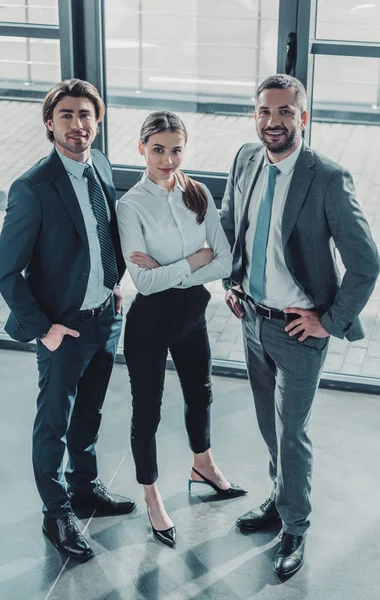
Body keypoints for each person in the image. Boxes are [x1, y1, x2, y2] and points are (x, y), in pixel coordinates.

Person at [220, 74, 379, 576]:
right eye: (266, 111)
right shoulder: (246, 159)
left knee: (292, 434)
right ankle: (279, 498)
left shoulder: (327, 179)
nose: (274, 121)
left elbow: (366, 262)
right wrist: (231, 281)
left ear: (303, 118)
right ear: (256, 116)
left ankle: (295, 526)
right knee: (270, 426)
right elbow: (232, 224)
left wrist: (329, 322)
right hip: (252, 319)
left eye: (286, 112)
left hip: (297, 330)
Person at [0, 79, 136, 563]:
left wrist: (115, 283)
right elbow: (5, 271)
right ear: (49, 123)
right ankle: (56, 513)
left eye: (86, 115)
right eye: (68, 115)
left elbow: (103, 232)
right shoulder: (33, 188)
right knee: (53, 423)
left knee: (90, 413)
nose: (79, 125)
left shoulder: (99, 162)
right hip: (63, 328)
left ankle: (84, 489)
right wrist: (44, 329)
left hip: (104, 316)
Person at [117, 111, 247, 548]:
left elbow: (225, 261)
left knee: (201, 394)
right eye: (158, 149)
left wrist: (175, 269)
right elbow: (145, 283)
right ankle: (152, 495)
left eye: (175, 149)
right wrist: (196, 261)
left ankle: (203, 465)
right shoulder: (130, 205)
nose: (168, 159)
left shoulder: (199, 194)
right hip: (149, 324)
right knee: (148, 412)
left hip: (193, 314)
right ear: (142, 149)